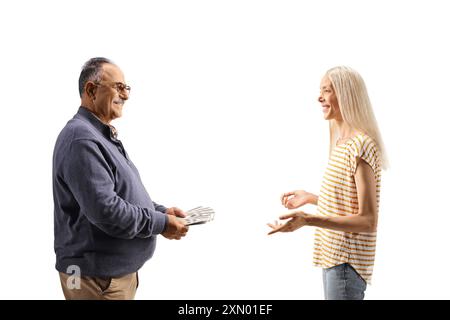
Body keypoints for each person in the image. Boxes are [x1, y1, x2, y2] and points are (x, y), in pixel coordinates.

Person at [52, 57, 189, 300]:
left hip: (110, 278)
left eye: (127, 87)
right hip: (95, 280)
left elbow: (121, 193)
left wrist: (161, 211)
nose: (125, 95)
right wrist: (161, 223)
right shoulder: (82, 139)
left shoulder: (99, 135)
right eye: (118, 86)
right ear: (91, 90)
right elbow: (106, 211)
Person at [268, 66, 387, 300]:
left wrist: (308, 220)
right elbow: (349, 205)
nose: (319, 97)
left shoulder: (361, 146)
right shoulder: (342, 142)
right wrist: (311, 198)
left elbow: (367, 220)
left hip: (346, 263)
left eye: (326, 90)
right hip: (333, 257)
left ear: (345, 95)